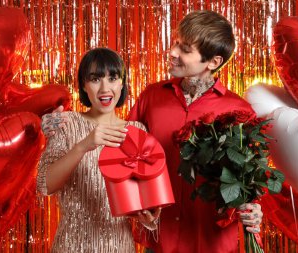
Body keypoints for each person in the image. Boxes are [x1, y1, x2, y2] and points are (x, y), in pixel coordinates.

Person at [42, 11, 263, 253]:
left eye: (185, 49)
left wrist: (252, 208)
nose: (173, 53)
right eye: (176, 43)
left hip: (210, 242)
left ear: (213, 62)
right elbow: (118, 152)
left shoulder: (238, 111)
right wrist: (60, 123)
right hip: (159, 240)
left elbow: (249, 179)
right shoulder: (152, 97)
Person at [37, 47, 160, 253]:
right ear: (84, 86)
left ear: (122, 83)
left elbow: (145, 196)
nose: (105, 88)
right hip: (72, 246)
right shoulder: (67, 123)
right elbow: (44, 185)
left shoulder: (137, 131)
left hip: (120, 245)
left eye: (112, 78)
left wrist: (148, 214)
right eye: (95, 79)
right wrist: (83, 145)